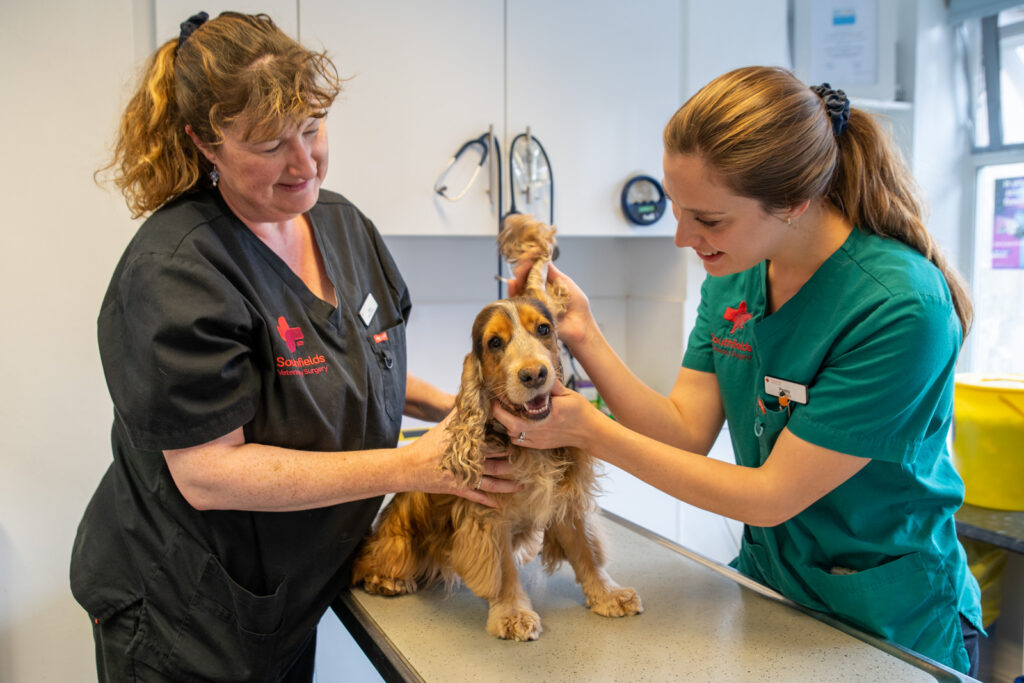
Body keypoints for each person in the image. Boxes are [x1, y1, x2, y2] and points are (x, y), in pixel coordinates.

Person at [70, 11, 516, 682]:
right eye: (271, 143)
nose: (305, 162)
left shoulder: (340, 223)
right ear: (204, 143)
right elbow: (209, 472)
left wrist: (461, 407)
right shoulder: (178, 270)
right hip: (185, 609)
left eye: (312, 129)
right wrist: (411, 465)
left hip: (284, 595)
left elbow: (365, 363)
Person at [495, 65, 984, 676]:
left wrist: (590, 431)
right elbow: (682, 431)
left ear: (793, 202)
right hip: (774, 592)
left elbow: (769, 496)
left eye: (708, 219)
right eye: (678, 210)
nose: (681, 237)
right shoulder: (735, 273)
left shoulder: (901, 307)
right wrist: (584, 335)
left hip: (888, 618)